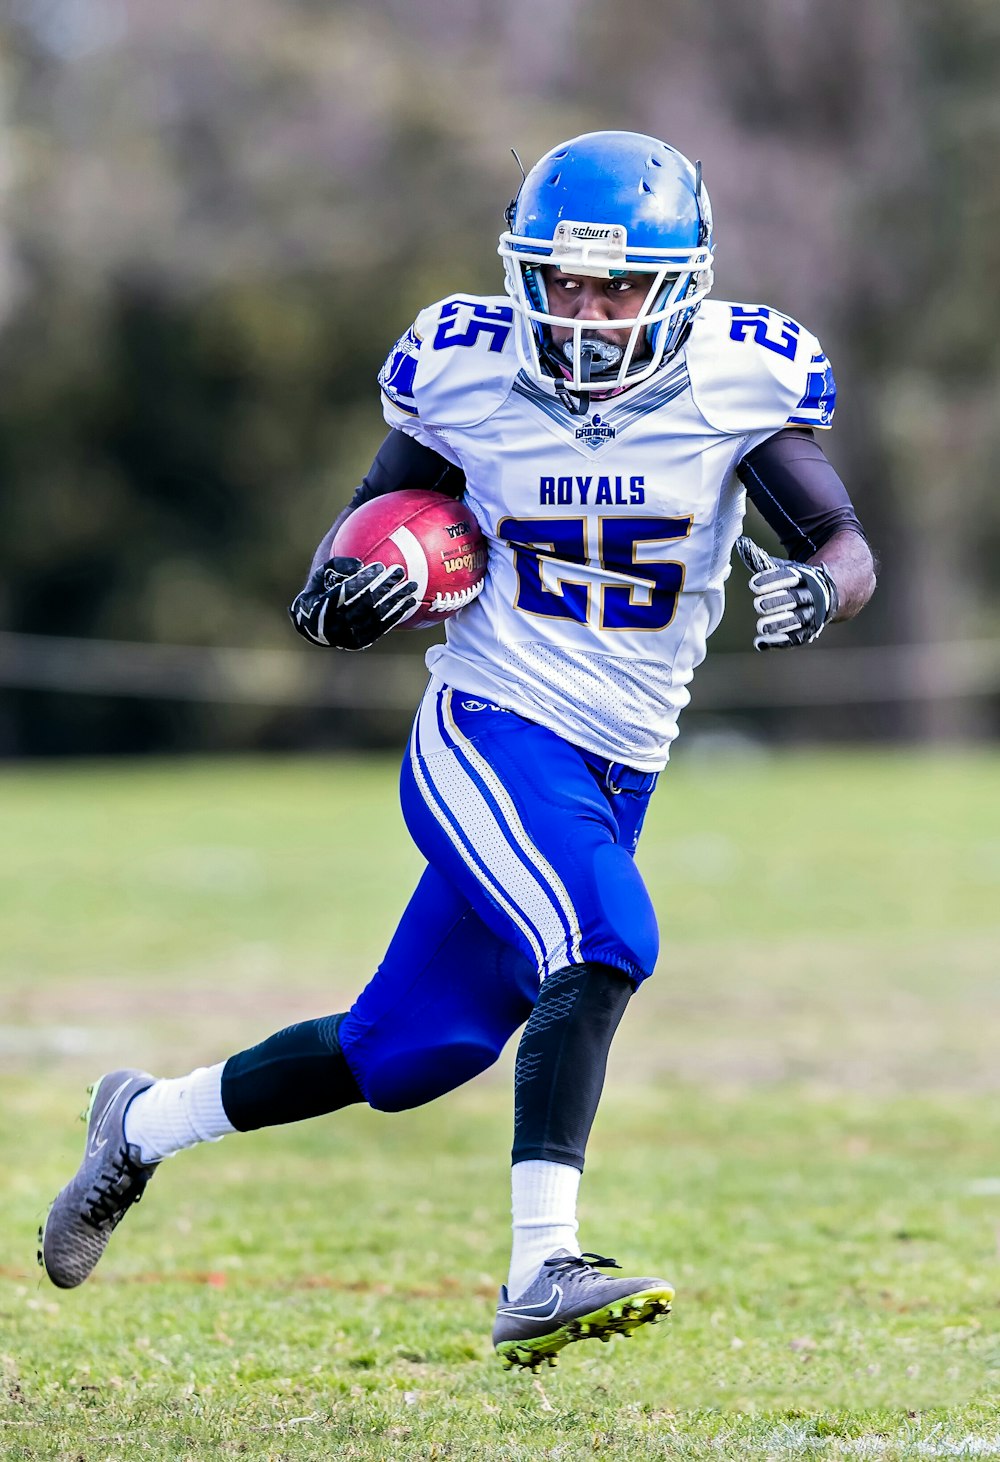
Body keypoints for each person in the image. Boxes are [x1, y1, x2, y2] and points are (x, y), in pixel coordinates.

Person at [39, 130, 876, 1370]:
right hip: (487, 724)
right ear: (522, 275)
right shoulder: (466, 373)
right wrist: (338, 591)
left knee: (408, 1052)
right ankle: (543, 1265)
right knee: (603, 939)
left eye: (618, 287)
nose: (586, 314)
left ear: (680, 286)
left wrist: (820, 589)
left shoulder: (739, 382)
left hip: (618, 759)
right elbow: (365, 522)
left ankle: (142, 1122)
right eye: (563, 283)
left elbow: (843, 541)